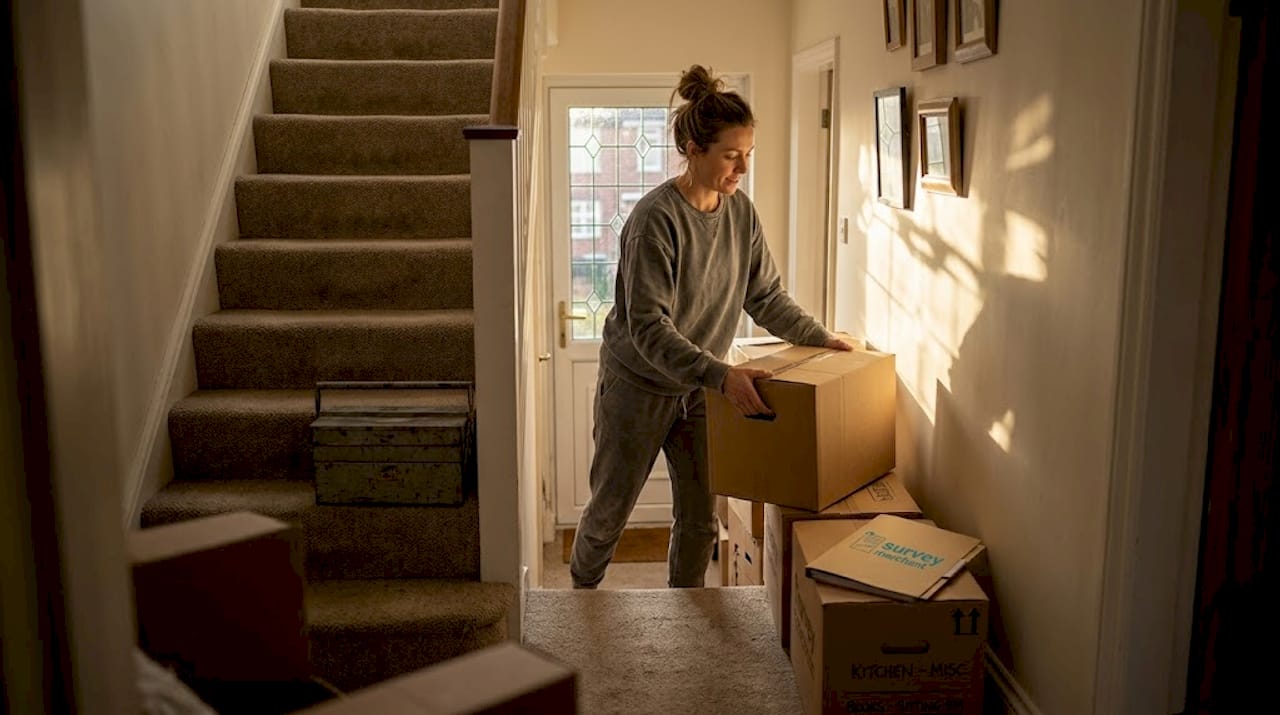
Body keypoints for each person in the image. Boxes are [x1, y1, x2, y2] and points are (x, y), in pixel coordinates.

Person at [569, 65, 854, 590]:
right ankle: (576, 603)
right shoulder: (654, 221)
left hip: (700, 390)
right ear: (693, 150)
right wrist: (722, 375)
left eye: (748, 153)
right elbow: (648, 328)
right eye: (731, 155)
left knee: (701, 520)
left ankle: (686, 615)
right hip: (637, 387)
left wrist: (821, 337)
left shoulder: (741, 214)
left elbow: (764, 296)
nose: (743, 167)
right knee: (610, 511)